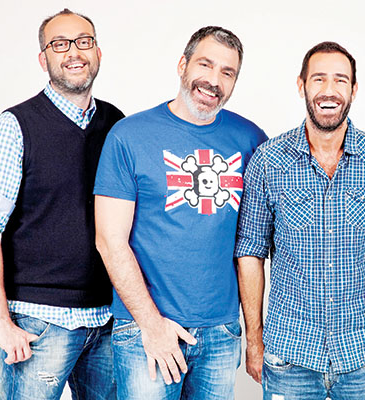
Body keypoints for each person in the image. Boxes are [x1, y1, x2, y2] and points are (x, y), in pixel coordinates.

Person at [235, 41, 365, 400]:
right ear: (301, 85)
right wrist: (254, 340)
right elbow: (250, 253)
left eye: (340, 80)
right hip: (290, 353)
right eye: (318, 79)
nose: (329, 90)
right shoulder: (268, 161)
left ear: (354, 89)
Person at [93, 26, 267, 400]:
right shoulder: (128, 136)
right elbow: (109, 240)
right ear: (182, 65)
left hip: (221, 331)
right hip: (145, 331)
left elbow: (259, 240)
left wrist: (255, 333)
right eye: (205, 64)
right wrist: (151, 324)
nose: (214, 80)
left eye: (227, 72)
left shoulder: (251, 139)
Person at [0, 8, 124, 399]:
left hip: (107, 319)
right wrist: (0, 322)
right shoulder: (13, 127)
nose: (74, 52)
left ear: (98, 52)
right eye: (60, 44)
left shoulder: (116, 124)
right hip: (37, 322)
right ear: (43, 59)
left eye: (84, 41)